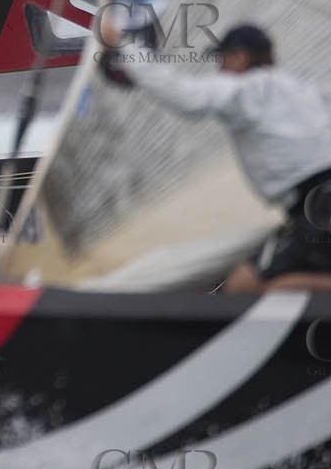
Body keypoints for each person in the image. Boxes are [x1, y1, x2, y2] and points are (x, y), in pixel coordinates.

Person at [101, 18, 331, 292]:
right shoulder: (302, 88)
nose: (218, 67)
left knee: (243, 287)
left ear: (240, 57)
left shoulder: (245, 88)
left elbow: (184, 95)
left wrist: (124, 46)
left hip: (318, 204)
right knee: (252, 283)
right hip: (315, 205)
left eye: (222, 59)